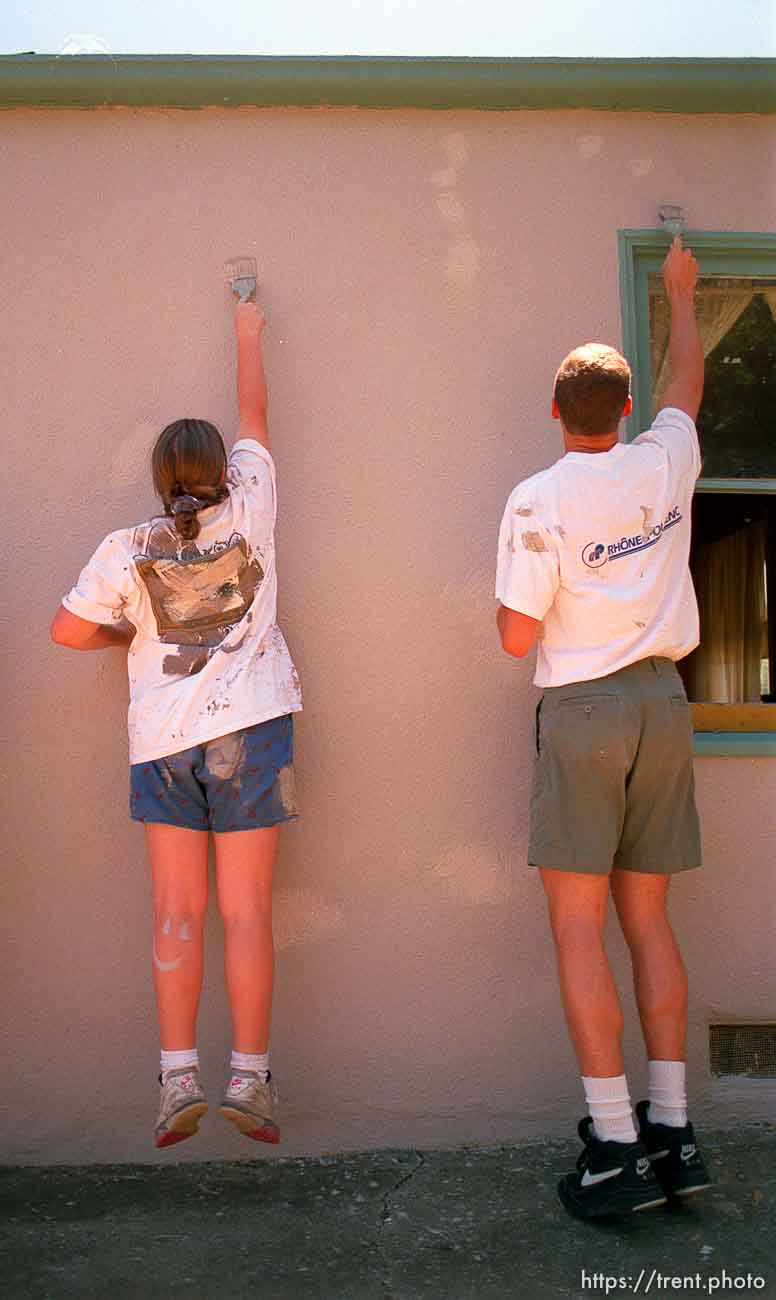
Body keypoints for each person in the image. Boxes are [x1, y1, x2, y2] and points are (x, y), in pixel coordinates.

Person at [51, 292, 302, 1149]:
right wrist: (246, 329)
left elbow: (67, 628)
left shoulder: (130, 549)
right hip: (254, 733)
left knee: (175, 914)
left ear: (161, 483)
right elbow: (257, 413)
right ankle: (252, 1081)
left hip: (162, 743)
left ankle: (175, 1082)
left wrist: (130, 631)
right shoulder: (256, 505)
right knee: (248, 913)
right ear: (227, 475)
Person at [495, 236, 712, 1218]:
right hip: (664, 702)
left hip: (580, 708)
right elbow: (687, 381)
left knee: (577, 928)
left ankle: (613, 1149)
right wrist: (677, 294)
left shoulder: (535, 499)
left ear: (553, 411)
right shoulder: (665, 457)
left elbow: (511, 638)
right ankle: (673, 1130)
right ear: (623, 410)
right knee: (647, 920)